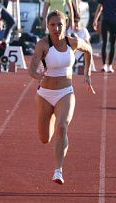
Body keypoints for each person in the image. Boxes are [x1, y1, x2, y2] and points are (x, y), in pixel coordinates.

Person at [28, 11, 95, 184]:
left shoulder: (72, 42)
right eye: (53, 25)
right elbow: (33, 66)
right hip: (44, 95)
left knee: (62, 127)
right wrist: (37, 75)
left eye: (60, 24)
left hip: (65, 92)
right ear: (47, 25)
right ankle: (51, 121)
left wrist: (87, 74)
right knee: (45, 138)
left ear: (66, 25)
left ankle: (58, 170)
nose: (57, 28)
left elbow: (88, 50)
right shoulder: (43, 44)